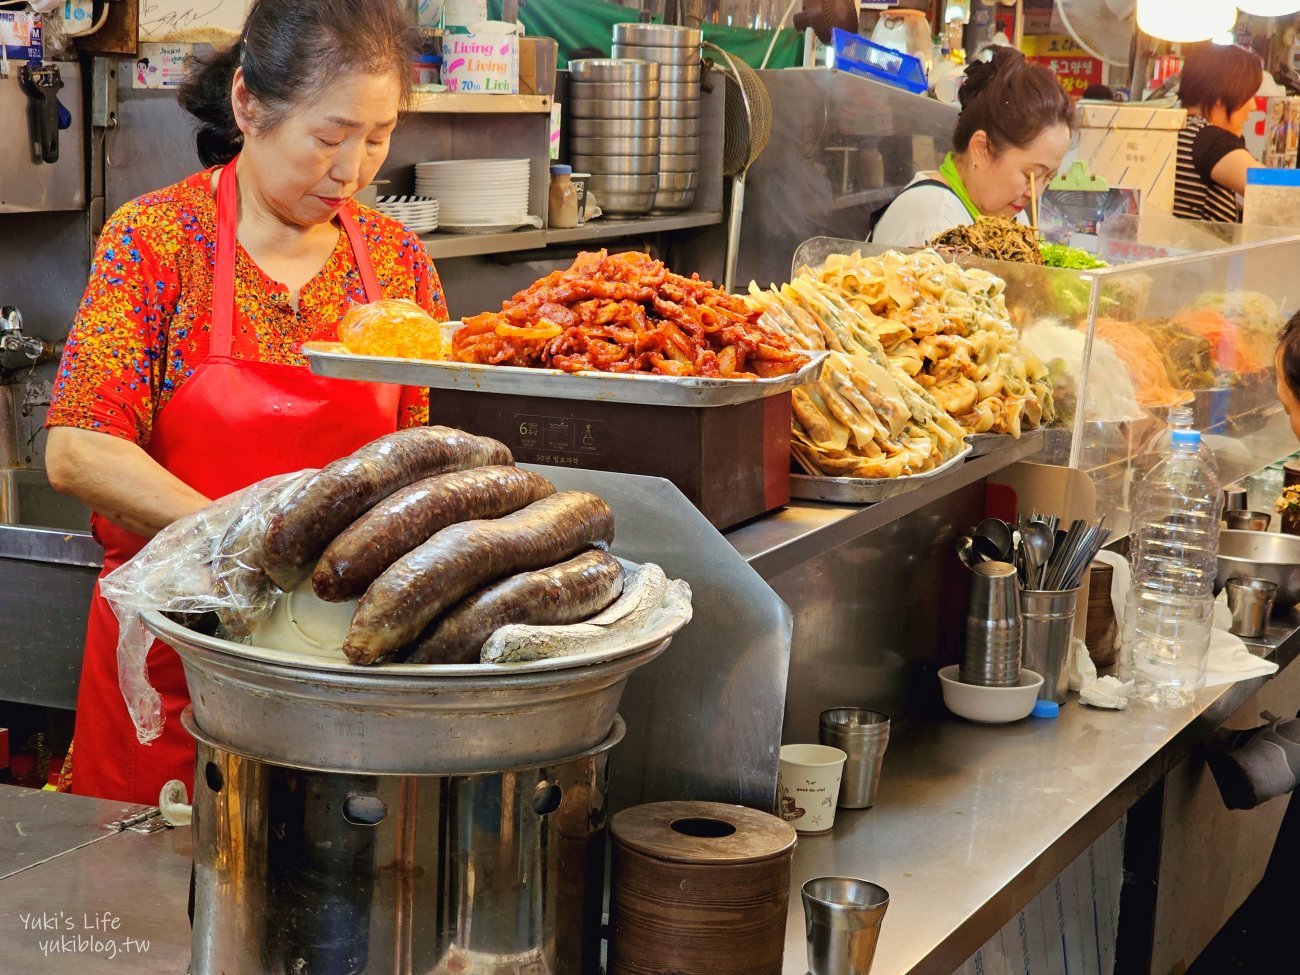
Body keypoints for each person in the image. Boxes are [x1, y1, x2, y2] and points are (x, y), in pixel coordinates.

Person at [44, 0, 447, 805]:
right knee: (148, 915)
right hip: (170, 668)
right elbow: (77, 447)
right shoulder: (157, 241)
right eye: (329, 138)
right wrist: (249, 547)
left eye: (379, 137)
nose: (354, 171)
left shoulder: (399, 266)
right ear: (248, 106)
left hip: (334, 677)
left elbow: (423, 464)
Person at [870, 47, 1075, 248]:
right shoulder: (934, 219)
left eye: (1048, 177)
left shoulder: (1013, 218)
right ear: (980, 148)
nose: (1035, 192)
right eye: (1030, 174)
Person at [1172, 44, 1263, 224]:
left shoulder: (1178, 132)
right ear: (1221, 98)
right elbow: (1278, 191)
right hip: (1199, 250)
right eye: (1249, 95)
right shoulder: (1209, 140)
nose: (1254, 106)